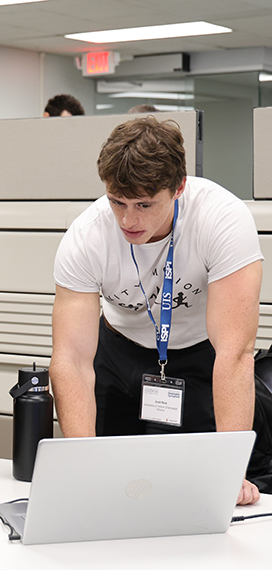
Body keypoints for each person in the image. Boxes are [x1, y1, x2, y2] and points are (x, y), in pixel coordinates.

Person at [50, 116, 263, 506]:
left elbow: (234, 352)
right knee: (109, 488)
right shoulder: (86, 236)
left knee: (195, 490)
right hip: (117, 352)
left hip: (197, 358)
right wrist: (81, 463)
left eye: (145, 205)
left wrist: (232, 469)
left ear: (178, 188)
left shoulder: (222, 221)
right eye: (118, 201)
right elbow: (71, 360)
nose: (129, 220)